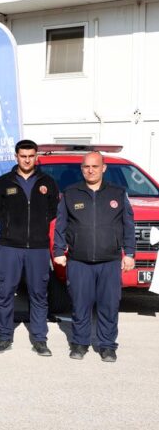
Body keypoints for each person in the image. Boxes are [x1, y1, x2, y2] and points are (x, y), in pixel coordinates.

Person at [53, 151, 135, 362]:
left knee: (109, 305)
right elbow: (60, 225)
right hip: (79, 261)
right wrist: (59, 251)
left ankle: (107, 346)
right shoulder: (71, 193)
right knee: (80, 305)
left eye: (95, 166)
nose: (90, 170)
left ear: (103, 168)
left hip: (110, 261)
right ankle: (80, 344)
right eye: (86, 167)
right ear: (82, 169)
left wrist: (130, 254)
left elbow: (128, 225)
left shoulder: (118, 193)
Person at [0, 139, 60, 356]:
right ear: (16, 156)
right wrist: (11, 226)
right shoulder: (4, 182)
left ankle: (39, 339)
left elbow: (53, 211)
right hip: (10, 247)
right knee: (5, 293)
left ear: (36, 156)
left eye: (31, 156)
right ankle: (3, 337)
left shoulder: (47, 182)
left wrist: (36, 228)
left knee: (39, 293)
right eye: (23, 156)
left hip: (37, 247)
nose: (27, 159)